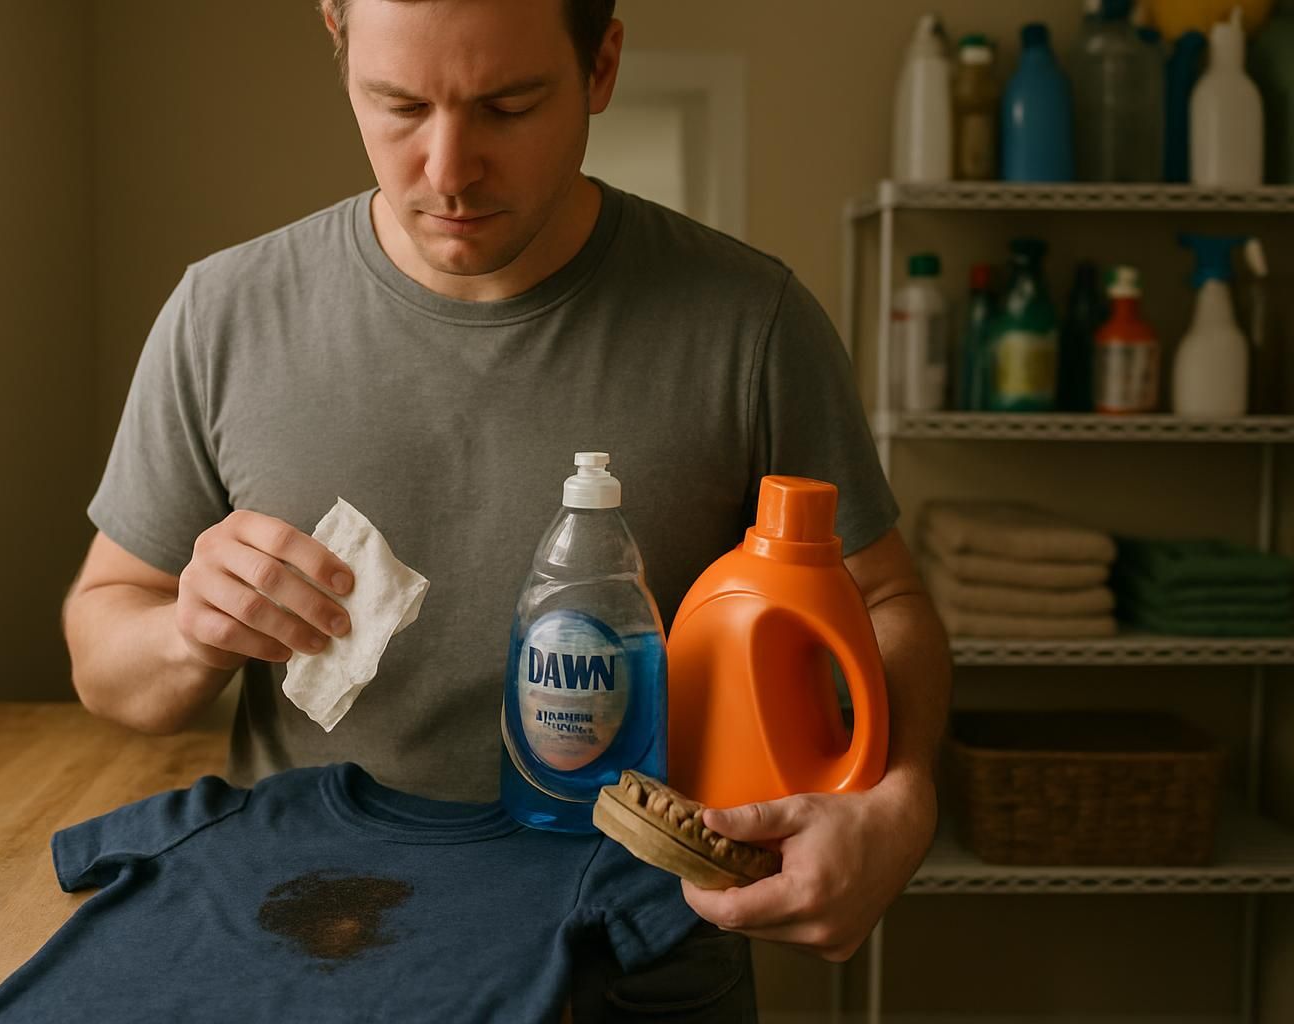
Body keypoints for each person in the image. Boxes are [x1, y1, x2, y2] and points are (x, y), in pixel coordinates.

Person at [62, 0, 951, 1018]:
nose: (447, 169)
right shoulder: (220, 316)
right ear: (339, 48)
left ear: (602, 65)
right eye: (398, 105)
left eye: (508, 106)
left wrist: (901, 803)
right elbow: (105, 648)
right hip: (311, 952)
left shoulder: (751, 323)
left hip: (637, 969)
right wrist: (189, 632)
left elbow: (884, 602)